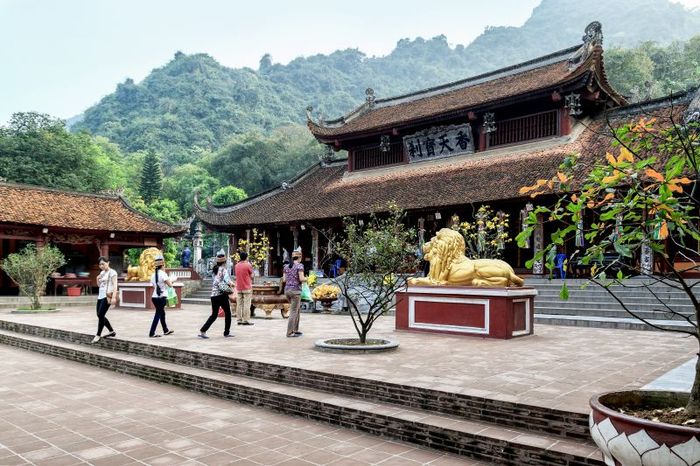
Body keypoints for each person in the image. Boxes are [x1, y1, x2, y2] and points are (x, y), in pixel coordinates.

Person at [199, 251, 234, 338]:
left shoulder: (214, 270)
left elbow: (216, 281)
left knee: (214, 315)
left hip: (214, 295)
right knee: (228, 313)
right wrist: (233, 284)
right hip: (222, 295)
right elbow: (228, 281)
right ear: (224, 262)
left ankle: (203, 330)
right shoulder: (223, 270)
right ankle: (226, 332)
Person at [92, 256, 118, 343]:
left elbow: (115, 286)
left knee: (101, 314)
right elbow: (99, 285)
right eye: (100, 264)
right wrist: (97, 278)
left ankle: (98, 334)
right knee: (99, 315)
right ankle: (111, 331)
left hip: (107, 296)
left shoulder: (112, 272)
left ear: (108, 263)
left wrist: (113, 297)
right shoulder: (102, 272)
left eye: (103, 264)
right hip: (100, 296)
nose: (101, 266)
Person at [149, 254, 175, 337]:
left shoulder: (153, 275)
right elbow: (170, 285)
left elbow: (155, 286)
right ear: (162, 265)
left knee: (162, 313)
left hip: (154, 297)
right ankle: (152, 333)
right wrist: (172, 280)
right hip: (162, 297)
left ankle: (165, 330)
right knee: (158, 314)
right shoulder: (163, 274)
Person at [282, 247, 306, 337]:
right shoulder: (300, 266)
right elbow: (301, 278)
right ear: (300, 257)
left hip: (287, 291)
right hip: (295, 291)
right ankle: (289, 332)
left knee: (297, 310)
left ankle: (295, 329)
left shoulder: (286, 266)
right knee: (293, 311)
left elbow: (284, 280)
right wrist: (308, 279)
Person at [234, 251, 254, 325]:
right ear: (246, 257)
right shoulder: (248, 265)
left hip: (239, 287)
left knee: (239, 304)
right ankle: (245, 320)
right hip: (247, 287)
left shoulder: (236, 265)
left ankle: (239, 320)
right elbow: (252, 276)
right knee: (246, 304)